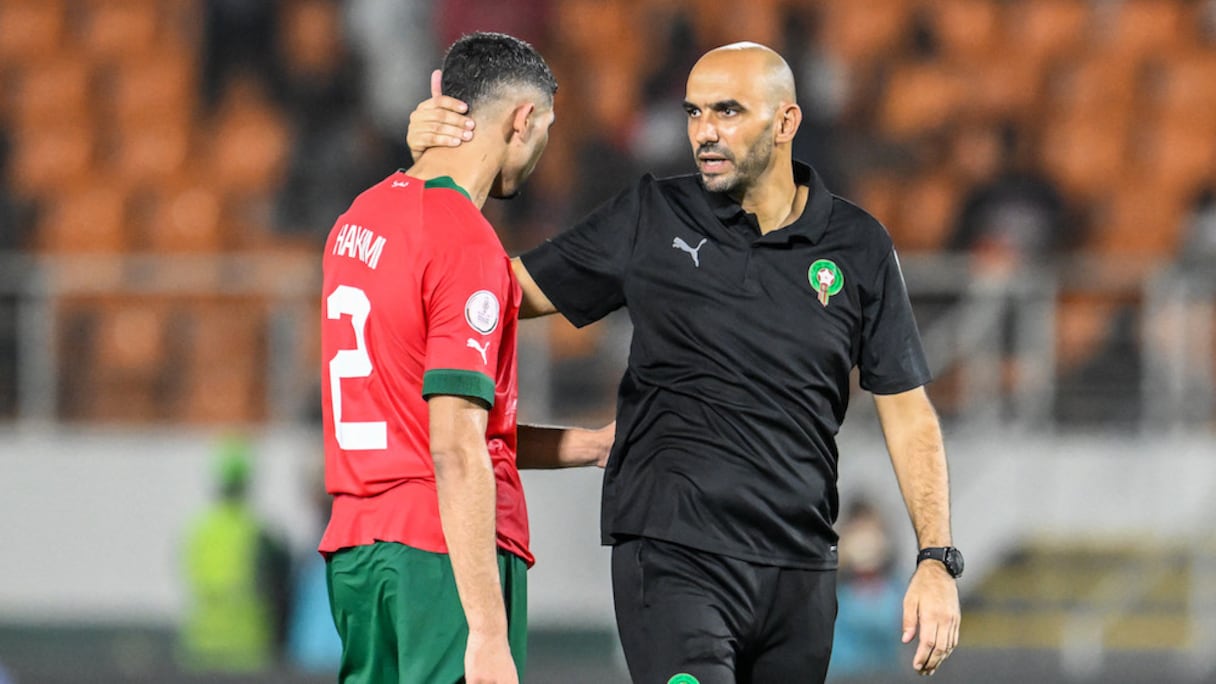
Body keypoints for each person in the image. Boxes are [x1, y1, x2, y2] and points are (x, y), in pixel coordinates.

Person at [408, 40, 961, 682]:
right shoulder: (652, 216)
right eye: (694, 113)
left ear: (786, 121)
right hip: (673, 555)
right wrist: (430, 171)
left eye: (728, 111)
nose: (704, 132)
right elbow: (483, 290)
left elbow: (908, 412)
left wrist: (936, 558)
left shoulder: (859, 246)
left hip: (801, 568)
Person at [319, 32, 613, 684]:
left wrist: (590, 446)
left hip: (358, 553)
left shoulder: (357, 220)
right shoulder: (464, 241)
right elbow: (454, 447)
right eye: (545, 131)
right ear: (523, 120)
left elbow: (423, 421)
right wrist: (485, 629)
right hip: (440, 557)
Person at [179, 436, 290, 673]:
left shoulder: (198, 531)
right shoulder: (259, 532)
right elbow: (277, 591)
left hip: (201, 644)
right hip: (247, 646)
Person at [828, 498, 905, 680]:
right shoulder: (829, 589)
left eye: (871, 531)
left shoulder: (898, 589)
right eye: (857, 532)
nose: (864, 543)